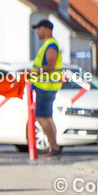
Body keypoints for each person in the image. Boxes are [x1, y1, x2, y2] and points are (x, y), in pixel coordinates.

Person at [28, 19, 62, 158]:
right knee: (47, 117)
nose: (37, 31)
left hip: (46, 87)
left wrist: (32, 74)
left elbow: (50, 67)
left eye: (39, 28)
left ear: (46, 29)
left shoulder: (50, 45)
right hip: (46, 87)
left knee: (42, 118)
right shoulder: (49, 44)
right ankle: (54, 148)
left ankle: (54, 148)